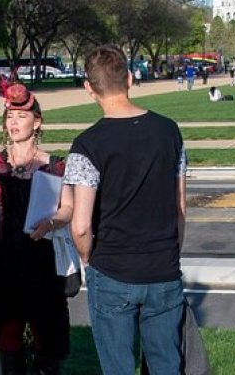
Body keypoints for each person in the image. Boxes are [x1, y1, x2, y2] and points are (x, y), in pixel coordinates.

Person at [64, 44, 187, 375]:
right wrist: (170, 252)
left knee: (117, 367)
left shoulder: (86, 145)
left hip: (112, 269)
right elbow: (180, 207)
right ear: (130, 79)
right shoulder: (169, 131)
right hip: (163, 268)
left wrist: (88, 257)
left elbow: (79, 225)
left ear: (89, 88)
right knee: (167, 366)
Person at [0, 83, 72, 374]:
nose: (13, 123)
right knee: (7, 340)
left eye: (21, 117)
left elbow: (69, 209)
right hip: (4, 260)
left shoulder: (55, 165)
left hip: (42, 261)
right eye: (9, 117)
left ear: (37, 122)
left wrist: (52, 222)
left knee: (45, 339)